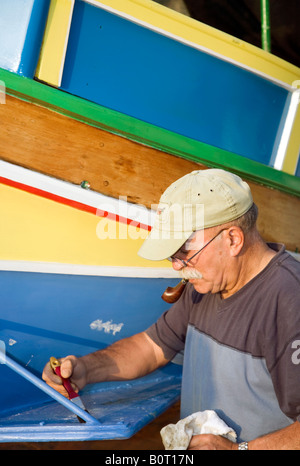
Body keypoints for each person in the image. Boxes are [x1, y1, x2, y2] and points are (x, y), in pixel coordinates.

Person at [43, 169, 300, 450]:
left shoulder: (289, 300)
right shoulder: (203, 286)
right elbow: (152, 347)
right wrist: (86, 368)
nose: (177, 266)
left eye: (184, 252)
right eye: (172, 255)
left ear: (233, 240)